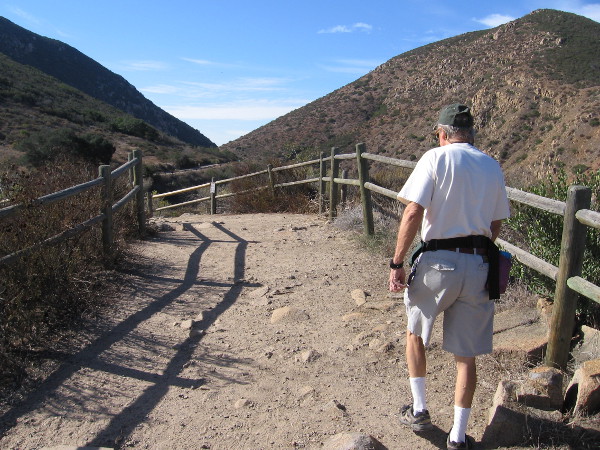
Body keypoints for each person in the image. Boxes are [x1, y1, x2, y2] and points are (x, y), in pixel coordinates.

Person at [389, 104, 510, 449]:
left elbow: (414, 210)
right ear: (471, 134)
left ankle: (420, 409)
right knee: (465, 355)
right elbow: (496, 223)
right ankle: (458, 436)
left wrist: (397, 262)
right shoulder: (491, 165)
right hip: (478, 266)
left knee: (415, 333)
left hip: (437, 263)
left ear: (442, 134)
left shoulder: (435, 158)